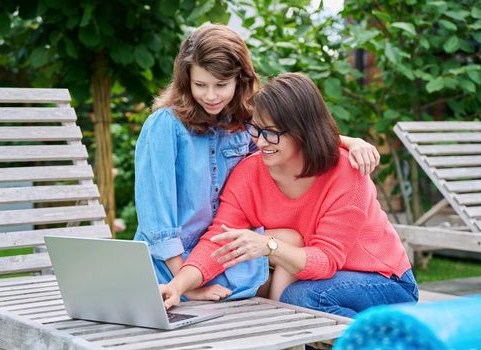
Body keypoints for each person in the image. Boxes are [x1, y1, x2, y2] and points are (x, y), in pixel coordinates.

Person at [134, 24, 381, 302]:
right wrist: (187, 286)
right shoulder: (166, 126)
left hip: (220, 249)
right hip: (171, 261)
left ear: (240, 80)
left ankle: (282, 316)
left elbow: (292, 137)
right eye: (200, 85)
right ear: (186, 81)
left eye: (221, 85)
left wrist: (349, 142)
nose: (211, 96)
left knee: (291, 238)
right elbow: (158, 224)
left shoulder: (244, 124)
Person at [160, 72, 418, 318]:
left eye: (271, 133)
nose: (260, 142)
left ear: (301, 131)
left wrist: (269, 246)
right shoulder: (249, 173)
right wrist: (178, 286)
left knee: (300, 299)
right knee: (293, 297)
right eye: (256, 130)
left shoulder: (347, 172)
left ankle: (395, 337)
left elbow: (327, 260)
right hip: (322, 282)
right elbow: (219, 239)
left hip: (385, 281)